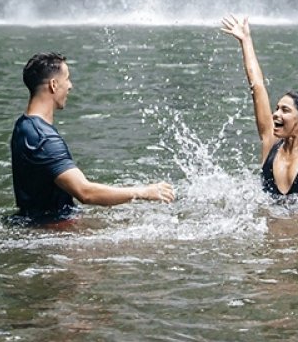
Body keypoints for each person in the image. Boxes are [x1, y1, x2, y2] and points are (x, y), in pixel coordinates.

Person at [10, 51, 175, 223]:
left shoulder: (24, 125)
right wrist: (144, 192)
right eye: (67, 79)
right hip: (54, 229)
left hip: (39, 221)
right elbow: (85, 193)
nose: (70, 86)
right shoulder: (42, 138)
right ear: (53, 84)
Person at [221, 14, 298, 198]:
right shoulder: (271, 141)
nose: (275, 114)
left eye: (285, 110)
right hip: (267, 227)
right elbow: (257, 85)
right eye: (276, 108)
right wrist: (245, 41)